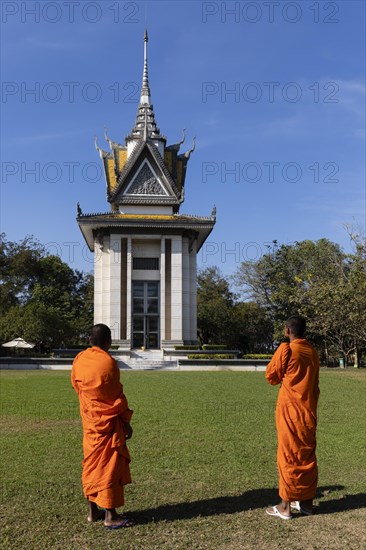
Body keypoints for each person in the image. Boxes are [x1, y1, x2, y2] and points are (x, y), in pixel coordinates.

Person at [71, 324, 134, 529]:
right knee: (109, 466)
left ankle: (92, 512)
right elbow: (116, 397)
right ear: (108, 342)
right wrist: (125, 421)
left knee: (92, 463)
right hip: (108, 424)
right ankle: (110, 516)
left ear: (90, 340)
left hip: (91, 421)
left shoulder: (79, 360)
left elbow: (76, 386)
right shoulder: (108, 363)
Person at [265, 315, 320, 520]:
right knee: (306, 456)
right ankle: (306, 503)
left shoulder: (286, 349)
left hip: (290, 412)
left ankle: (285, 507)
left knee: (288, 456)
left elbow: (271, 377)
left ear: (287, 330)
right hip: (308, 412)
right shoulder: (312, 352)